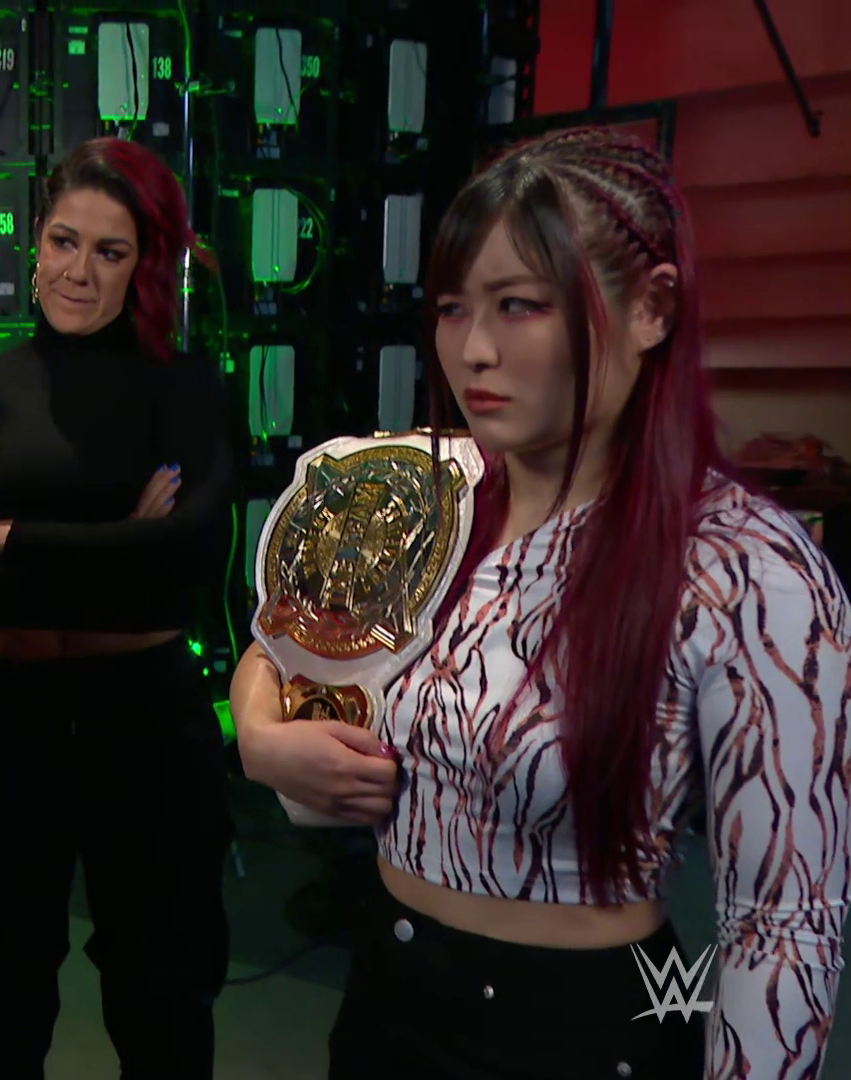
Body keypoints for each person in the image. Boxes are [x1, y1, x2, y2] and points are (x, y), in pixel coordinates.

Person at [234, 127, 851, 1079]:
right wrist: (260, 739)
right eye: (452, 308)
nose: (472, 350)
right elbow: (282, 646)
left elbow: (784, 925)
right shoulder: (415, 491)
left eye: (518, 306)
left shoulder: (743, 569)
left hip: (586, 1029)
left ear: (651, 309)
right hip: (387, 998)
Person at [0, 136, 235, 1079]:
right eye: (63, 242)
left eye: (109, 251)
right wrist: (121, 541)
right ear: (36, 241)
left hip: (145, 717)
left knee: (161, 996)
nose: (78, 273)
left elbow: (186, 557)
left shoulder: (185, 388)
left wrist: (6, 538)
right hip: (7, 718)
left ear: (145, 264)